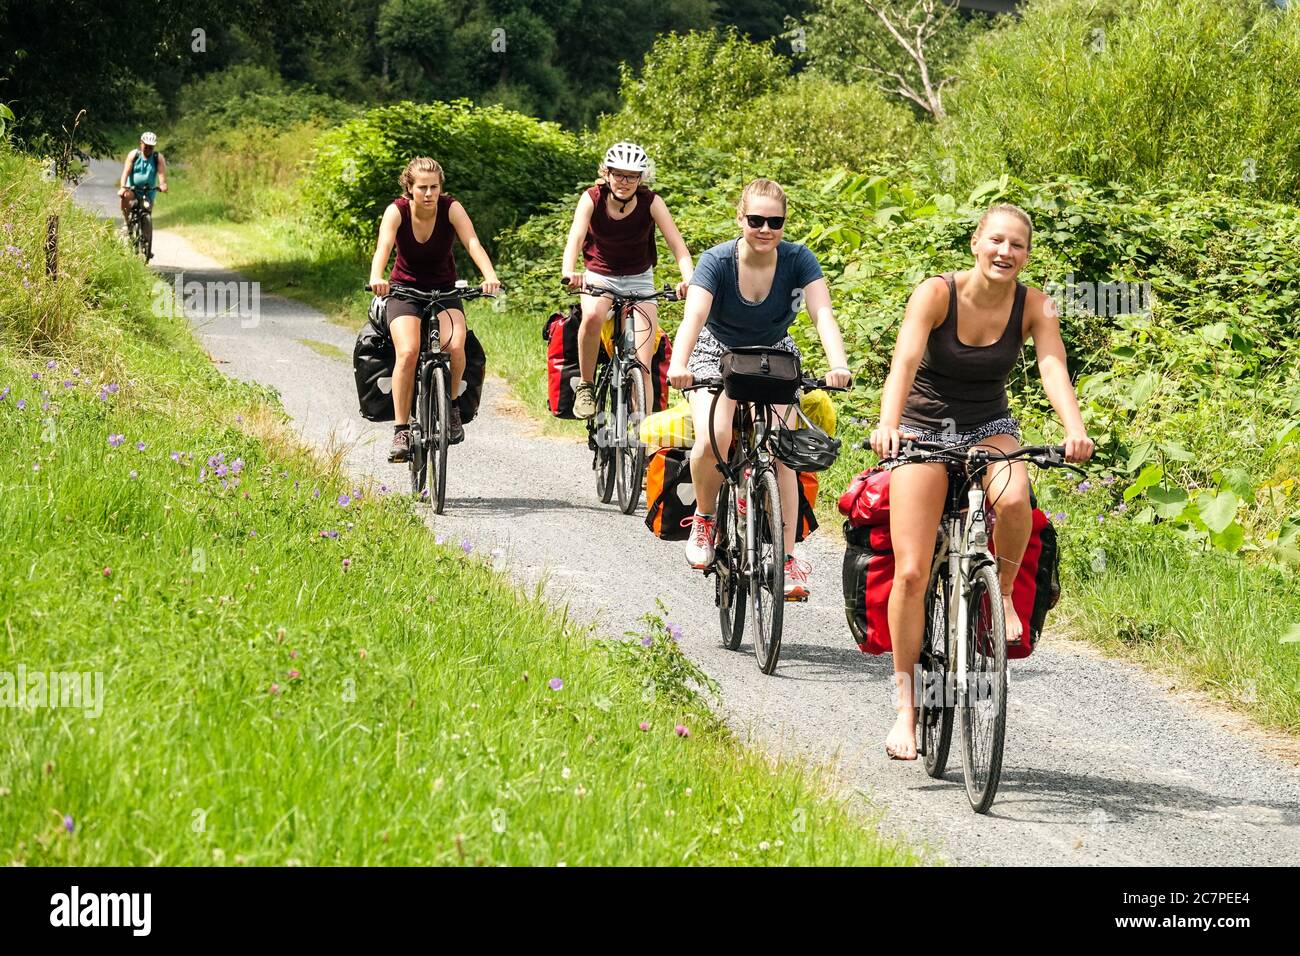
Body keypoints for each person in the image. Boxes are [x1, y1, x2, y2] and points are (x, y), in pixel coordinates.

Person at [870, 203, 1095, 760]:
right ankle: (906, 708)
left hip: (989, 425)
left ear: (1026, 253)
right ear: (976, 243)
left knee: (1016, 495)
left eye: (1017, 245)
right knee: (912, 572)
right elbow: (903, 361)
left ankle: (1003, 602)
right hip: (923, 427)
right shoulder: (936, 294)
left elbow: (1052, 367)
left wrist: (1075, 429)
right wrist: (889, 426)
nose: (1005, 252)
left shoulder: (1034, 304)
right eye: (997, 241)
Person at [667, 179, 852, 599]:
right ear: (740, 219)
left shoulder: (798, 259)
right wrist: (679, 365)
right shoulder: (716, 261)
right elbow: (693, 317)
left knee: (785, 450)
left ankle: (786, 558)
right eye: (756, 220)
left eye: (775, 221)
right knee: (716, 434)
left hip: (773, 355)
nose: (765, 229)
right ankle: (705, 517)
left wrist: (838, 364)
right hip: (716, 352)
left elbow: (823, 315)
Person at [368, 157, 500, 460]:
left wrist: (489, 276)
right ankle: (401, 428)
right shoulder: (396, 211)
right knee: (408, 351)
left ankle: (451, 405)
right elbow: (383, 247)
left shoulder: (451, 208)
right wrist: (377, 277)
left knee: (456, 345)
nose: (429, 194)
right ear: (409, 189)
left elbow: (473, 243)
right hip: (404, 291)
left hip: (444, 289)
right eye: (423, 188)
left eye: (434, 187)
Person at [560, 142, 693, 419]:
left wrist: (689, 280)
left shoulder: (651, 203)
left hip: (639, 279)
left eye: (631, 176)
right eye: (618, 174)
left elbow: (678, 246)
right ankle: (586, 385)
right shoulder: (592, 198)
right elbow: (575, 238)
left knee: (643, 362)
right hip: (599, 274)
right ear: (607, 173)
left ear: (640, 178)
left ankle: (642, 434)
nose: (624, 182)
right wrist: (569, 271)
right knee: (593, 317)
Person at [117, 131, 168, 249]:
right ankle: (127, 223)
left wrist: (163, 185)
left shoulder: (157, 157)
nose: (148, 149)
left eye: (151, 147)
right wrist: (123, 187)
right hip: (133, 189)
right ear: (141, 144)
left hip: (149, 191)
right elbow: (126, 172)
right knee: (124, 196)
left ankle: (146, 242)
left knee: (147, 212)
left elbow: (161, 174)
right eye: (146, 146)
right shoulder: (134, 155)